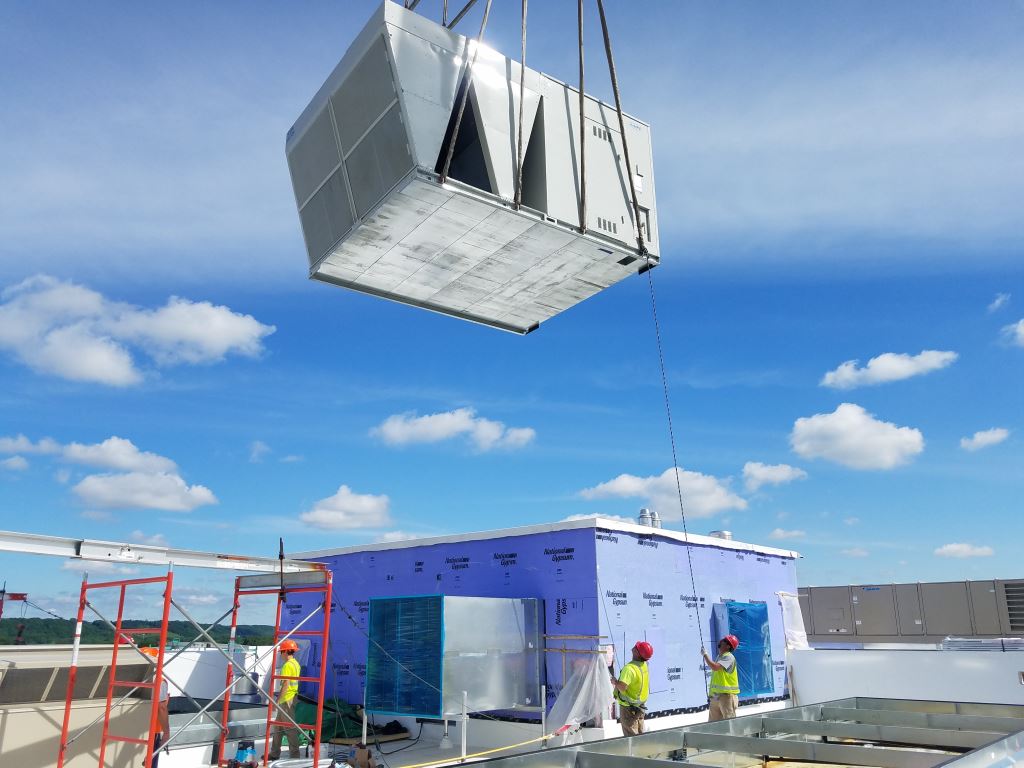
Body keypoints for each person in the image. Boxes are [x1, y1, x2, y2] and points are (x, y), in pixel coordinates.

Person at [269, 639, 303, 761]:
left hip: (286, 700)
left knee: (290, 729)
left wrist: (277, 702)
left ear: (285, 652)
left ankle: (295, 756)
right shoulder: (295, 663)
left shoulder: (287, 665)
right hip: (290, 698)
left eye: (281, 652)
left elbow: (285, 685)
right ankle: (274, 753)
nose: (280, 655)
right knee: (278, 727)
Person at [610, 641, 653, 736]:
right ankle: (642, 750)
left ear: (637, 653)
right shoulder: (643, 665)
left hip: (628, 709)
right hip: (639, 707)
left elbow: (622, 687)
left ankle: (636, 751)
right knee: (640, 734)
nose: (634, 646)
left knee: (631, 737)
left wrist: (615, 682)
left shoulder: (629, 669)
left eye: (636, 647)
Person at [140, 647, 170, 768]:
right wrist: (167, 732)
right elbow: (161, 707)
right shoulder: (160, 681)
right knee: (150, 763)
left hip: (137, 726)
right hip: (153, 730)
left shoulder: (134, 678)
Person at [702, 635, 740, 721]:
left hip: (726, 697)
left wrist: (705, 655)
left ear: (728, 646)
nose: (721, 641)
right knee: (713, 726)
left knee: (730, 725)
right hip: (716, 697)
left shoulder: (729, 657)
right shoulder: (720, 657)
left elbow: (715, 667)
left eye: (724, 641)